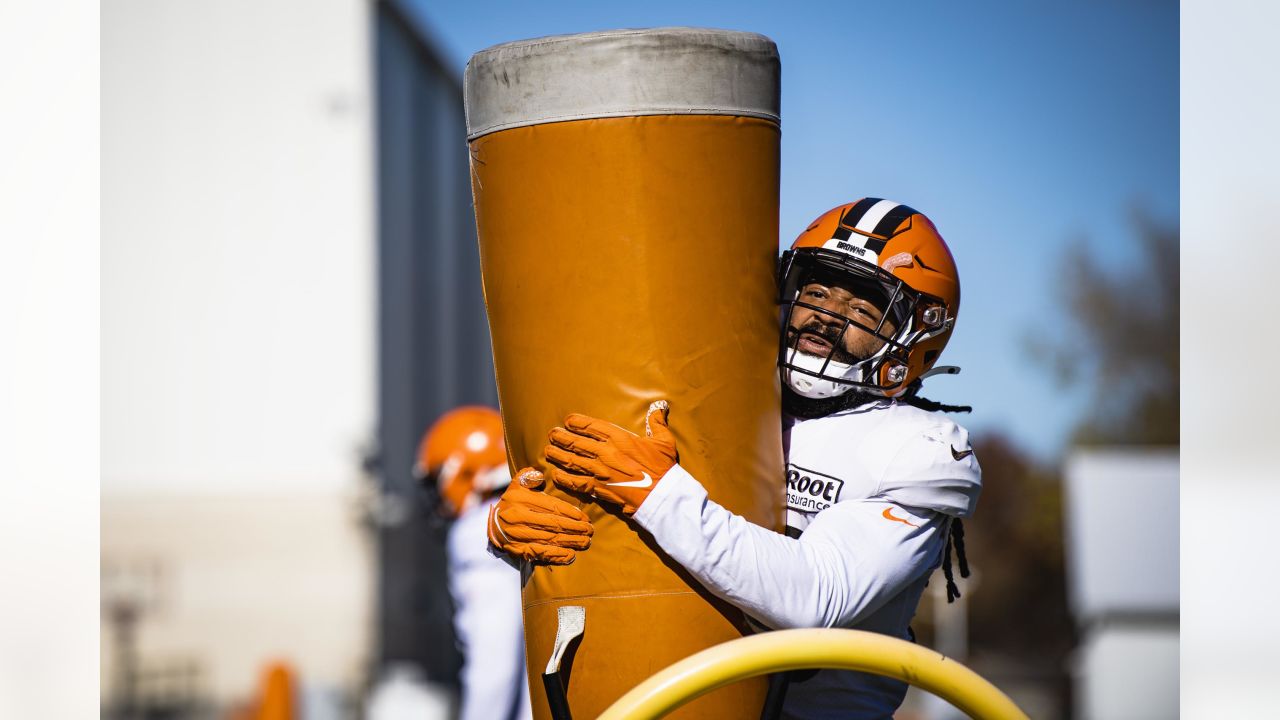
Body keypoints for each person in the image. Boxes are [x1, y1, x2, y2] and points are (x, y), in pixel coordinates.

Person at [487, 199, 980, 719]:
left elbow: (813, 599)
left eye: (861, 309)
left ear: (916, 337)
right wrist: (508, 525)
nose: (826, 317)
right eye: (815, 292)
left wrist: (657, 493)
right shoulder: (727, 400)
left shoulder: (919, 449)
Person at [415, 407, 534, 720]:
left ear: (467, 471)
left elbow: (494, 665)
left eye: (438, 477)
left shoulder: (478, 531)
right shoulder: (521, 513)